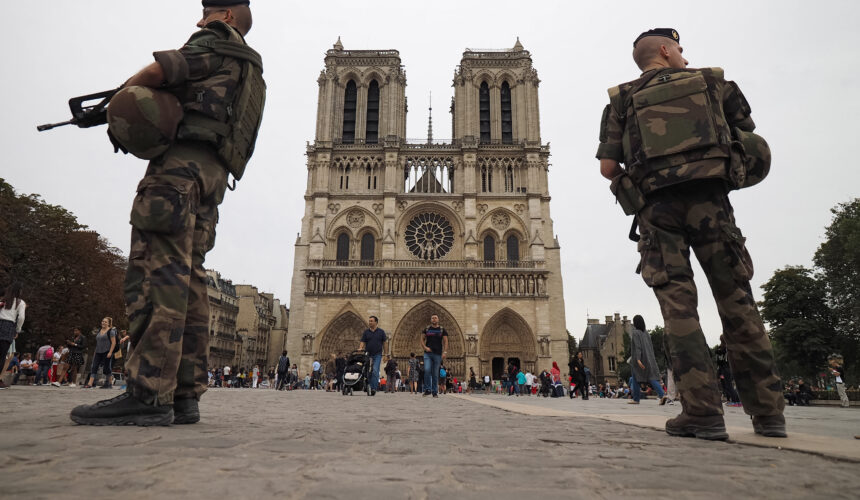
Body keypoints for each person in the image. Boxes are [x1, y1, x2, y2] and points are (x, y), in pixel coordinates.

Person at [70, 1, 265, 427]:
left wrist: (114, 104)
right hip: (212, 177)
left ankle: (147, 393)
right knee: (191, 280)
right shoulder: (251, 69)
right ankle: (183, 395)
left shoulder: (214, 42)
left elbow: (160, 71)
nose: (199, 21)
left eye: (208, 13)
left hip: (178, 174)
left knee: (158, 277)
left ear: (226, 17)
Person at [596, 28, 785, 439]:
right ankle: (768, 414)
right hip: (711, 206)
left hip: (657, 212)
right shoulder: (712, 82)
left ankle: (703, 414)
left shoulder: (621, 101)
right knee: (738, 302)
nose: (684, 54)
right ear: (665, 50)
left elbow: (608, 169)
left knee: (679, 312)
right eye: (679, 48)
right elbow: (747, 134)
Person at [628, 315, 665, 405]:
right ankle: (662, 394)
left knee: (635, 377)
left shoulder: (635, 333)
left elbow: (638, 347)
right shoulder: (647, 334)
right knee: (651, 378)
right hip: (649, 359)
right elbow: (650, 348)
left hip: (640, 359)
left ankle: (636, 399)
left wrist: (638, 359)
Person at [0, 283, 26, 389]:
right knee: (2, 355)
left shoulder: (3, 301)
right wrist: (18, 329)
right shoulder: (20, 302)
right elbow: (21, 318)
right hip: (8, 326)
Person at [83, 318, 117, 389]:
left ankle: (110, 384)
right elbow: (98, 343)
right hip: (98, 352)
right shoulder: (99, 330)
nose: (103, 323)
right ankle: (90, 384)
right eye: (102, 321)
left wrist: (110, 352)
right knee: (94, 367)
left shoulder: (111, 331)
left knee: (107, 368)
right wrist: (95, 352)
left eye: (105, 322)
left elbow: (113, 343)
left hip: (107, 352)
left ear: (108, 323)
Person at [359, 315, 387, 396]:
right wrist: (360, 348)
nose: (370, 322)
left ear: (376, 322)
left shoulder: (381, 332)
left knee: (375, 370)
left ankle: (373, 388)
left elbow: (385, 343)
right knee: (367, 371)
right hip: (368, 354)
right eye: (369, 321)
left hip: (377, 354)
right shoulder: (366, 332)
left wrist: (385, 354)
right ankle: (368, 386)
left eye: (371, 321)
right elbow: (362, 341)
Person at [421, 314, 448, 398]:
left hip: (438, 354)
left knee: (435, 373)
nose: (434, 319)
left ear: (438, 319)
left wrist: (445, 352)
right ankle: (428, 389)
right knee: (427, 370)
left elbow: (445, 341)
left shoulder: (442, 330)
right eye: (432, 318)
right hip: (428, 353)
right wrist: (425, 347)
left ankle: (434, 392)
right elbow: (421, 339)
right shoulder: (426, 329)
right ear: (431, 320)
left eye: (435, 318)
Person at [715, 335, 741, 407]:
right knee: (729, 385)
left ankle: (735, 401)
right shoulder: (728, 348)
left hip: (724, 368)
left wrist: (719, 372)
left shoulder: (721, 349)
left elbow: (719, 360)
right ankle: (737, 401)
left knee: (728, 386)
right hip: (729, 368)